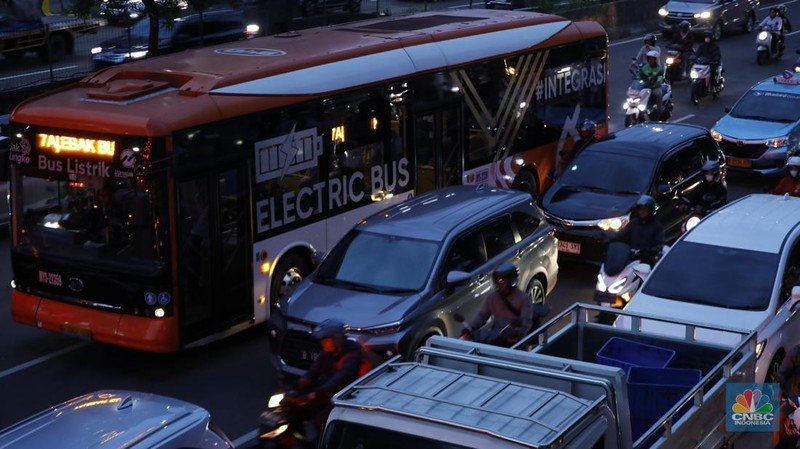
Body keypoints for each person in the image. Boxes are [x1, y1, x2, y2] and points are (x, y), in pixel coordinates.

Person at [290, 319, 365, 436]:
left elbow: (339, 380)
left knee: (322, 420)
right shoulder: (327, 352)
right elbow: (314, 370)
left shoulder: (351, 356)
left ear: (337, 339)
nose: (322, 342)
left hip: (344, 396)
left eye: (326, 339)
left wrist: (315, 394)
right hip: (327, 391)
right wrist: (299, 383)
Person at [462, 263, 547, 346]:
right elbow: (482, 316)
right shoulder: (492, 298)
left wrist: (516, 334)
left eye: (502, 281)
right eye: (497, 281)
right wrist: (470, 327)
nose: (500, 284)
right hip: (498, 335)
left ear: (511, 281)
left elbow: (526, 323)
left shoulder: (523, 299)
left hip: (516, 340)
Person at [623, 195, 665, 266]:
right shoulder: (633, 223)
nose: (641, 212)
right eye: (640, 209)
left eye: (644, 209)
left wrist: (647, 252)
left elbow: (659, 244)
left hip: (646, 262)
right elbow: (621, 235)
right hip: (631, 259)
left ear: (650, 211)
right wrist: (609, 238)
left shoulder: (657, 226)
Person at [776, 344, 800, 447]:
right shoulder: (796, 351)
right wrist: (778, 390)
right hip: (797, 396)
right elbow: (782, 373)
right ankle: (779, 445)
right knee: (778, 416)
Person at [636, 50, 665, 118]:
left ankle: (659, 110)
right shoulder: (645, 67)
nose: (650, 60)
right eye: (649, 58)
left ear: (656, 59)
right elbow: (639, 74)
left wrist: (658, 81)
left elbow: (660, 77)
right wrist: (637, 78)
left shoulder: (659, 68)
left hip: (654, 87)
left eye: (652, 59)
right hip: (645, 86)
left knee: (659, 94)